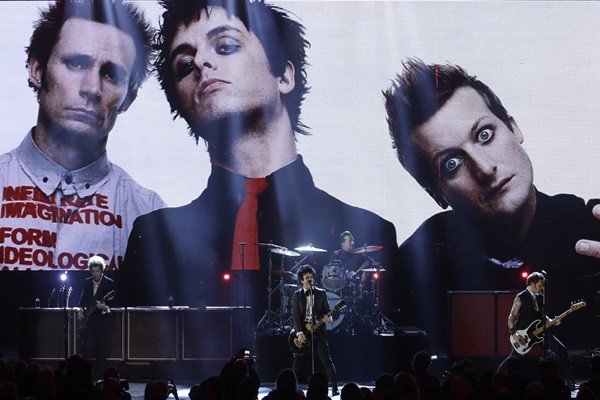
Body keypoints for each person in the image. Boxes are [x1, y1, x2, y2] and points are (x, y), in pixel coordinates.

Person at [120, 0, 398, 312]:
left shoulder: (368, 233)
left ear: (284, 76)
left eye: (224, 47)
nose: (200, 62)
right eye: (184, 66)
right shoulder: (156, 239)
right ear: (183, 108)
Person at [382, 59, 600, 351]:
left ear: (513, 128)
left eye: (484, 135)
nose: (484, 169)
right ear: (435, 193)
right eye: (451, 163)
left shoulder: (591, 231)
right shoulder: (415, 266)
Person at [0, 0, 165, 272]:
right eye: (76, 64)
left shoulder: (147, 213)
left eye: (111, 74)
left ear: (129, 98)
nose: (91, 88)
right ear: (37, 70)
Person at [497, 272, 572, 383]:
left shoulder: (541, 297)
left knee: (562, 350)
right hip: (525, 334)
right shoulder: (520, 297)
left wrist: (551, 321)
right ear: (532, 284)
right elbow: (511, 317)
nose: (542, 288)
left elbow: (542, 315)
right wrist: (514, 333)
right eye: (540, 285)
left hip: (541, 332)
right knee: (514, 357)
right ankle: (497, 377)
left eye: (543, 286)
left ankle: (569, 381)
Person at [291, 266, 338, 395]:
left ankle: (334, 387)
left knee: (326, 359)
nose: (310, 280)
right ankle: (292, 388)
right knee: (298, 359)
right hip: (303, 332)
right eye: (307, 278)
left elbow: (327, 311)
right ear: (301, 280)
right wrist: (299, 332)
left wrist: (330, 318)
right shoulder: (297, 295)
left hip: (318, 330)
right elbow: (295, 315)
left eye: (311, 277)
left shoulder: (321, 293)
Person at [77, 255, 116, 379]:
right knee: (85, 349)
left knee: (101, 351)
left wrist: (105, 307)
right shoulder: (87, 282)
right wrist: (80, 310)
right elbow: (83, 299)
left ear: (102, 270)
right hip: (89, 322)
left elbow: (115, 301)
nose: (95, 274)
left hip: (102, 322)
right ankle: (86, 377)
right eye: (93, 271)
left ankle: (101, 378)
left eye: (97, 271)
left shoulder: (109, 283)